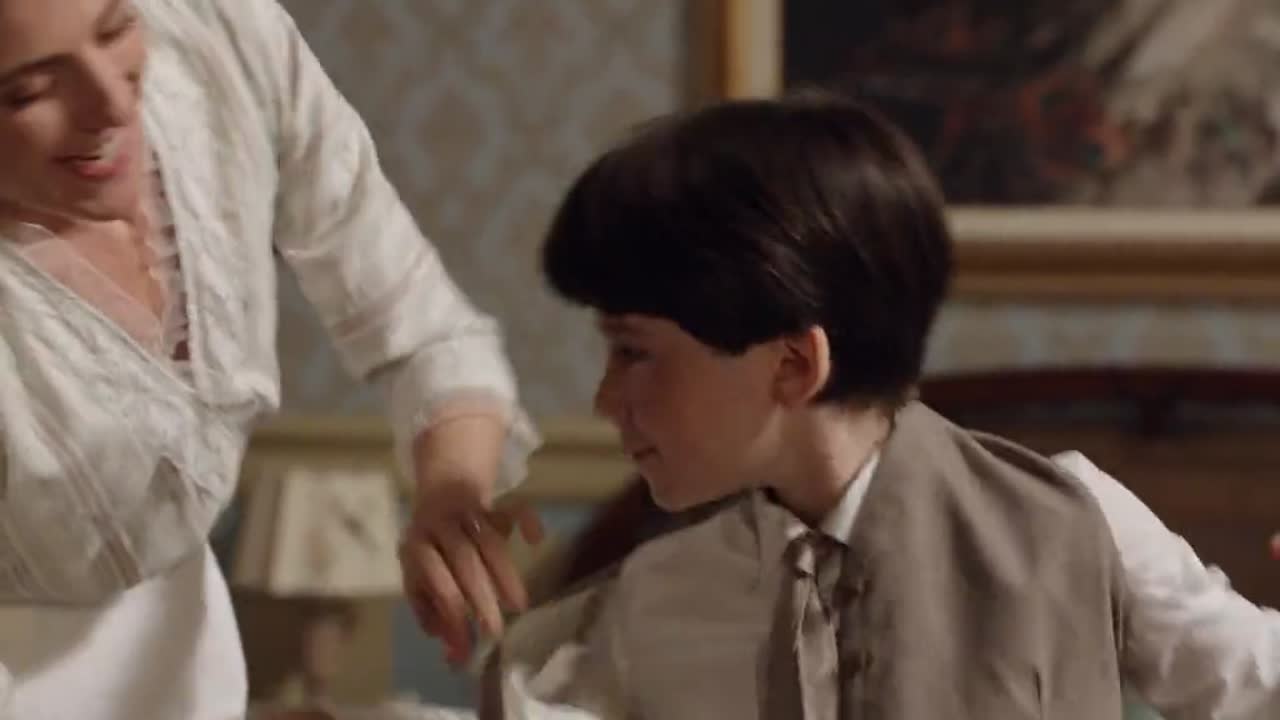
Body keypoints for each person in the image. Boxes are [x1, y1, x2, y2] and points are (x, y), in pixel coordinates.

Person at [479, 94, 1280, 719]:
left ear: (794, 365)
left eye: (634, 352)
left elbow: (1255, 687)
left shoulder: (1069, 523)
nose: (606, 399)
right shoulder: (652, 602)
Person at [0, 0, 540, 717]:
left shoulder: (218, 34)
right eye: (28, 91)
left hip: (190, 665)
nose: (112, 103)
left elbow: (420, 322)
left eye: (116, 27)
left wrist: (451, 489)